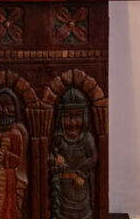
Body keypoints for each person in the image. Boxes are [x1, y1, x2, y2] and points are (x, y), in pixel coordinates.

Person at [49, 89, 97, 219]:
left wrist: (81, 174)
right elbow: (51, 156)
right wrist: (55, 160)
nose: (72, 122)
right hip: (63, 189)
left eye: (77, 116)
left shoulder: (86, 138)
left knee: (82, 214)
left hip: (79, 187)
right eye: (67, 116)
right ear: (60, 117)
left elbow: (93, 157)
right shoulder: (59, 138)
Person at [0, 89, 28, 219]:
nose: (5, 110)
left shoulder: (15, 133)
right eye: (1, 106)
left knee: (6, 208)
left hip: (8, 179)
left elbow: (17, 160)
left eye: (9, 106)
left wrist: (6, 156)